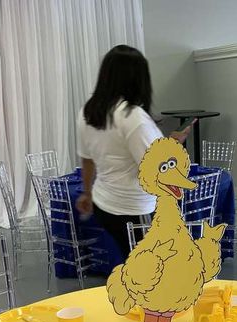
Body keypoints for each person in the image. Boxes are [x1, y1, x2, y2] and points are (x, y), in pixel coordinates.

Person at [76, 45, 192, 262]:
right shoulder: (133, 117)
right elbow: (158, 167)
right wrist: (175, 143)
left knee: (134, 265)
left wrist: (87, 193)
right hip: (133, 209)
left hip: (104, 203)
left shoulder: (89, 110)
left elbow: (87, 158)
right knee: (153, 274)